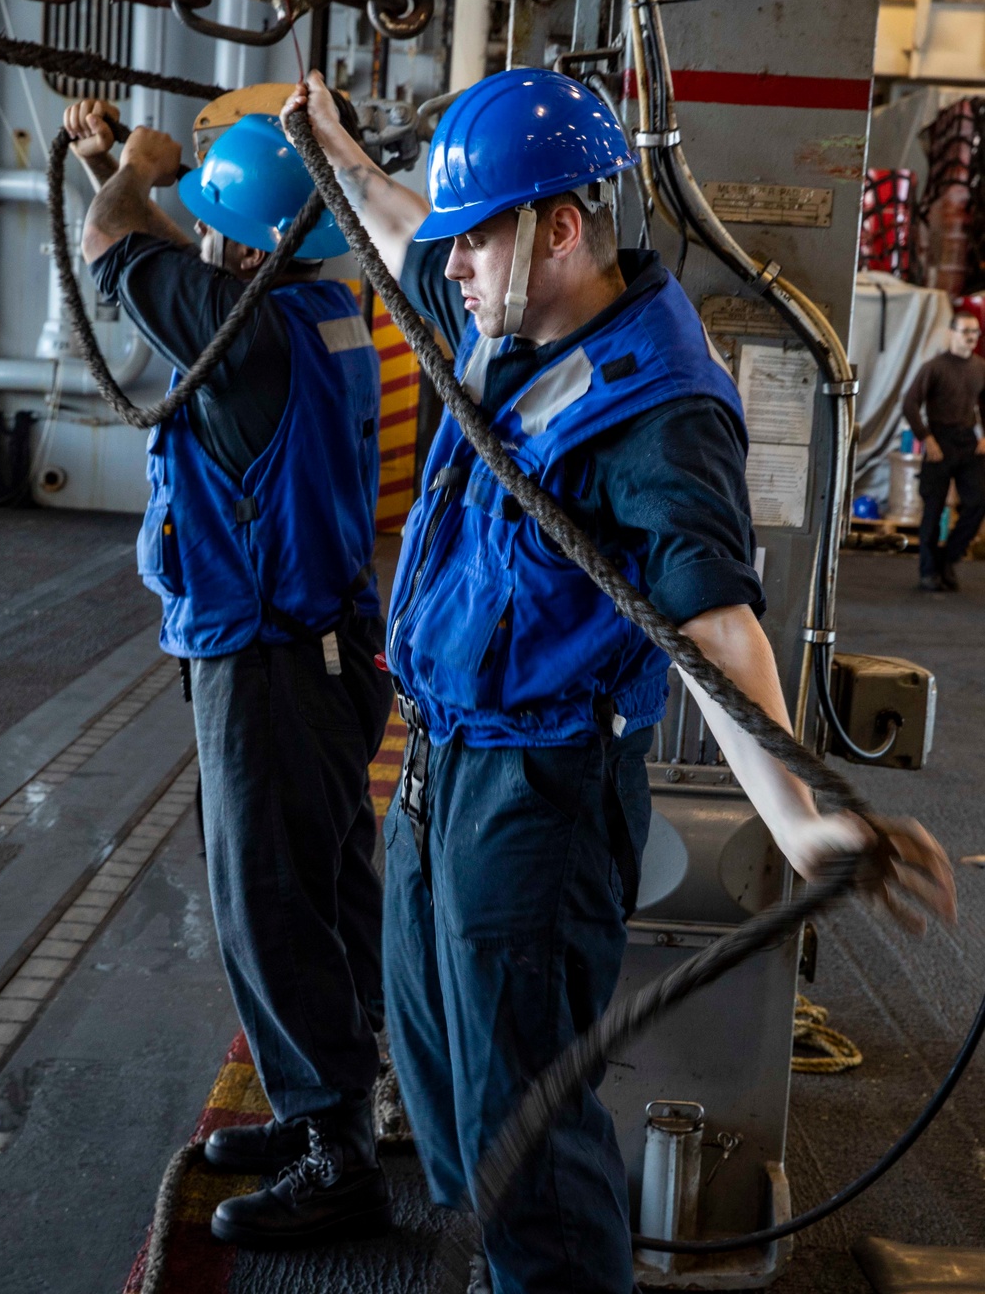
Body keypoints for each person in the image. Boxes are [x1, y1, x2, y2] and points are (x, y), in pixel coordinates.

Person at [283, 67, 956, 1293]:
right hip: (442, 775)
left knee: (527, 1140)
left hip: (533, 804)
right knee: (447, 1101)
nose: (458, 264)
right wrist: (331, 145)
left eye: (479, 234)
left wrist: (802, 817)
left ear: (561, 226)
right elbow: (405, 231)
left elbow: (713, 629)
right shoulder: (512, 313)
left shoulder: (661, 405)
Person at [67, 95, 395, 1247]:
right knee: (328, 878)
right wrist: (120, 166)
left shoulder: (243, 321)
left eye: (214, 221)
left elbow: (117, 245)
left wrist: (139, 171)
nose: (200, 238)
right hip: (320, 647)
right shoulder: (319, 302)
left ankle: (331, 1151)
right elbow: (143, 247)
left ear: (245, 242)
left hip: (265, 659)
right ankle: (337, 1102)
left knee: (269, 899)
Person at [902, 310, 985, 592]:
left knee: (977, 503)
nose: (972, 337)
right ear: (952, 333)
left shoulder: (980, 367)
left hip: (967, 442)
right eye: (966, 331)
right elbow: (910, 404)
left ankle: (947, 560)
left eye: (976, 332)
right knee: (934, 510)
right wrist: (927, 439)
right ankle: (928, 571)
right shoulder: (934, 367)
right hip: (940, 440)